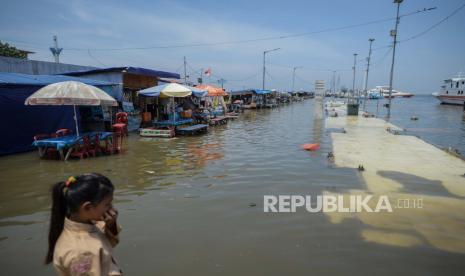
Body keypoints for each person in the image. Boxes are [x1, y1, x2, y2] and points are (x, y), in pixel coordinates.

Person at [45, 173, 122, 276]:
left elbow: (108, 244)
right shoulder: (81, 252)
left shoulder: (88, 222)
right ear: (87, 207)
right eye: (107, 204)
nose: (112, 208)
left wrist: (111, 225)